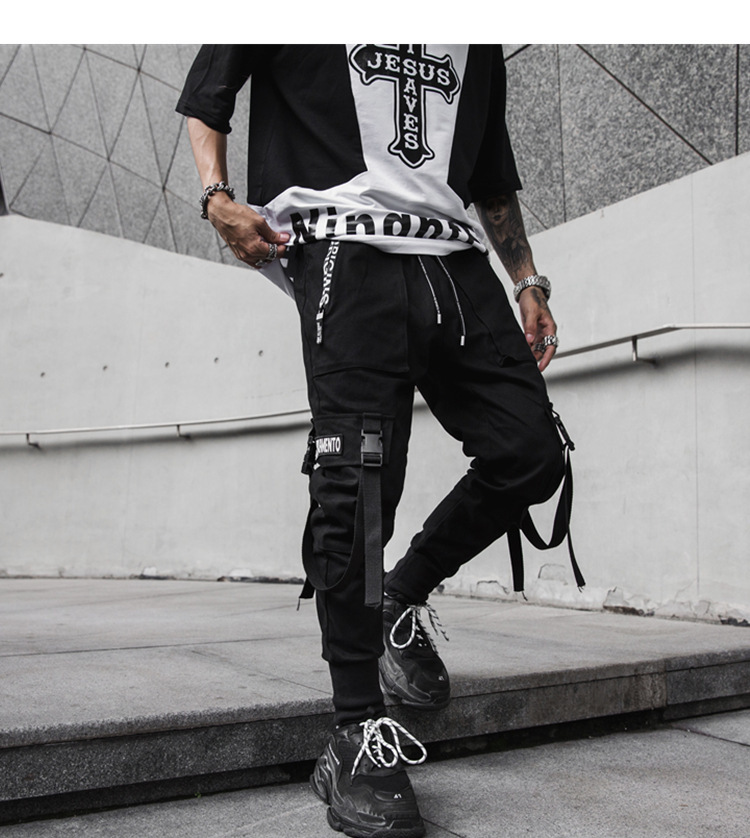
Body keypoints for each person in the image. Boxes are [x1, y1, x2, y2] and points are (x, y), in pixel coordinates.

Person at [178, 44, 569, 838]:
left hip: (454, 262)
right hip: (340, 250)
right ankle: (355, 730)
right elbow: (207, 94)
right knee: (356, 484)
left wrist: (526, 278)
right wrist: (217, 197)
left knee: (530, 450)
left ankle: (402, 591)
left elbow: (490, 174)